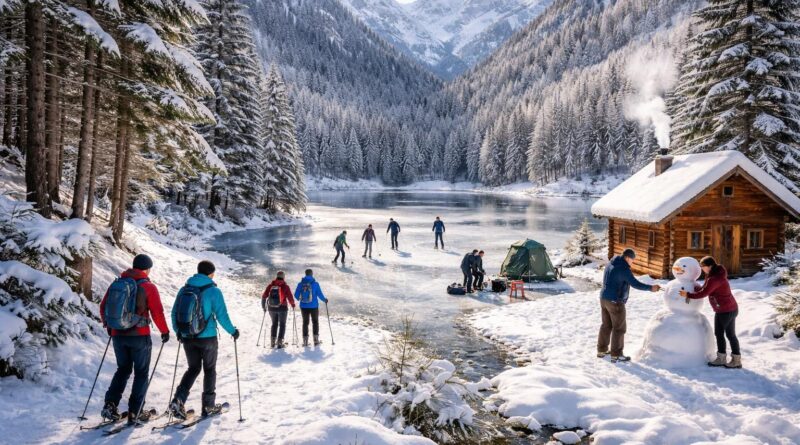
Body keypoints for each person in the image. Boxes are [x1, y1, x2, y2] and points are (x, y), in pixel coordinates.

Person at [99, 254, 170, 424]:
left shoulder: (117, 284)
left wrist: (109, 325)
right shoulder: (148, 287)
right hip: (139, 336)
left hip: (118, 335)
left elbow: (103, 306)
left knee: (122, 369)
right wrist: (164, 331)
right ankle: (135, 411)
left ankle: (110, 405)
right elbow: (157, 312)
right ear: (147, 269)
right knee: (141, 373)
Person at [169, 260, 239, 419]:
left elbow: (174, 313)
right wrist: (233, 331)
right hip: (207, 338)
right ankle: (208, 406)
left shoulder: (184, 289)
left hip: (187, 336)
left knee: (193, 369)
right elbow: (222, 315)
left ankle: (178, 400)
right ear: (211, 274)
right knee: (209, 369)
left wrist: (179, 331)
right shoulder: (213, 291)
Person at [597, 249, 660, 362]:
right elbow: (635, 284)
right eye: (632, 260)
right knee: (619, 328)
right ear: (627, 258)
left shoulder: (611, 263)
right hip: (615, 301)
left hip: (604, 298)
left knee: (606, 325)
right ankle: (617, 354)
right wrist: (651, 288)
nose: (632, 262)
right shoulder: (623, 268)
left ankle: (601, 350)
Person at [679, 256, 741, 368]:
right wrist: (696, 288)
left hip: (725, 310)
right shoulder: (715, 274)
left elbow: (704, 293)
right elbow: (706, 288)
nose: (702, 269)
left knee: (723, 334)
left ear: (710, 266)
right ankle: (732, 359)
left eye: (703, 266)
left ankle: (726, 359)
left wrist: (688, 294)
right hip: (729, 308)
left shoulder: (715, 278)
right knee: (727, 334)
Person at [261, 270, 296, 349]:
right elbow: (290, 297)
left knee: (274, 324)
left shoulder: (270, 286)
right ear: (283, 277)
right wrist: (293, 304)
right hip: (282, 308)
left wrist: (263, 307)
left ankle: (272, 342)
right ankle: (280, 342)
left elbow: (264, 296)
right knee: (282, 324)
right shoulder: (285, 286)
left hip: (271, 308)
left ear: (276, 276)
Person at [295, 269, 329, 346]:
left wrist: (301, 299)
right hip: (314, 306)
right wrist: (325, 300)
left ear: (305, 274)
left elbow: (296, 295)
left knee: (305, 322)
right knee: (315, 322)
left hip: (303, 306)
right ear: (312, 274)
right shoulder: (315, 284)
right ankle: (316, 340)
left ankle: (305, 341)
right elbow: (319, 294)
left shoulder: (300, 284)